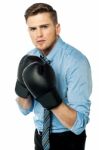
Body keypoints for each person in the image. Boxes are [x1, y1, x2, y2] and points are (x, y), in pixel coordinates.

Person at [15, 3, 92, 150]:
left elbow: (79, 125)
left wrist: (48, 97)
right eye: (33, 29)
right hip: (40, 136)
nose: (38, 35)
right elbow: (25, 109)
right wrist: (21, 85)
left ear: (57, 28)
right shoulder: (30, 58)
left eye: (44, 26)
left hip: (68, 140)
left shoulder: (76, 62)